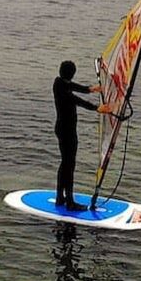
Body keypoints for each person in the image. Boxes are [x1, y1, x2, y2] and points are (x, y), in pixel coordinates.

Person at [51, 60, 108, 211]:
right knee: (69, 166)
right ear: (72, 73)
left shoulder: (58, 83)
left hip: (61, 129)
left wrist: (91, 89)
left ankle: (59, 197)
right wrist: (97, 108)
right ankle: (69, 202)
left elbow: (73, 86)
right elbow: (77, 100)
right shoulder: (64, 92)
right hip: (67, 132)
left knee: (65, 164)